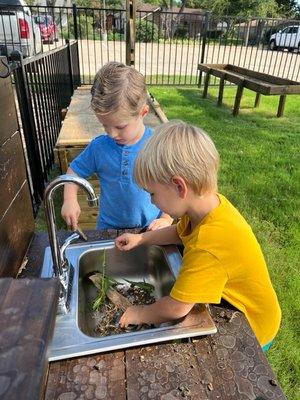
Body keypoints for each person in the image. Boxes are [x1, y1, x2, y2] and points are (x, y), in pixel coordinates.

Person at [115, 120, 281, 351]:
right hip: (236, 303)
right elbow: (180, 233)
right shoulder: (207, 209)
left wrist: (140, 313)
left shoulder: (210, 243)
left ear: (179, 187)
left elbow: (176, 307)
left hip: (252, 327)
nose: (152, 202)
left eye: (153, 194)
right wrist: (143, 239)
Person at [61, 62, 173, 231]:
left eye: (120, 127)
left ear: (143, 113)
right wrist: (69, 200)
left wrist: (166, 217)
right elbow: (74, 171)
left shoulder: (157, 145)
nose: (112, 134)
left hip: (151, 228)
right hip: (109, 229)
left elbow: (172, 183)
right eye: (105, 125)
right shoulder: (99, 147)